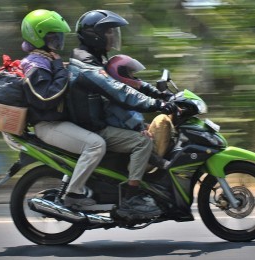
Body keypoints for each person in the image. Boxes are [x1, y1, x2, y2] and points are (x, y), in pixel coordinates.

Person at [66, 10, 178, 218]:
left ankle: (150, 174)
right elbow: (119, 91)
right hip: (94, 128)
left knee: (143, 129)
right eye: (108, 32)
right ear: (94, 34)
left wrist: (159, 93)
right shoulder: (85, 65)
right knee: (141, 142)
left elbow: (128, 81)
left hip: (98, 121)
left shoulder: (94, 59)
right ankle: (131, 198)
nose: (112, 36)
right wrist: (156, 104)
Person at [20, 9, 106, 209]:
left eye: (58, 36)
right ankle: (74, 194)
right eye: (52, 37)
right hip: (48, 125)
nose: (57, 41)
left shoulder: (46, 59)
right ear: (37, 36)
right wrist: (60, 68)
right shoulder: (35, 64)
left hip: (59, 122)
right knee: (95, 145)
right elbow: (46, 97)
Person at [105, 54, 176, 170]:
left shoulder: (123, 94)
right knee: (161, 120)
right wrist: (142, 128)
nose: (133, 77)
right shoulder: (115, 99)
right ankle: (160, 163)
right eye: (130, 73)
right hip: (131, 146)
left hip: (131, 137)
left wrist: (162, 95)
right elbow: (129, 122)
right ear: (120, 74)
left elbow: (142, 88)